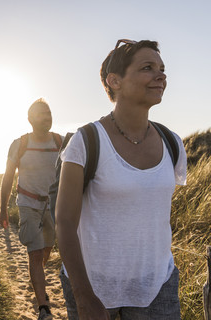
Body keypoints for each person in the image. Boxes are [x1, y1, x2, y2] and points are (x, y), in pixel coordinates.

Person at [55, 39, 187, 320]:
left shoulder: (172, 143)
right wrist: (84, 296)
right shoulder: (86, 141)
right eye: (147, 68)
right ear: (114, 81)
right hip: (94, 285)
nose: (160, 75)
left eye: (162, 68)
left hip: (157, 285)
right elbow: (65, 223)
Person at [0, 98, 63, 320]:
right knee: (34, 253)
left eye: (49, 113)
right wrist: (3, 209)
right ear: (30, 120)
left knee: (46, 250)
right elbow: (8, 177)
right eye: (42, 114)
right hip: (28, 204)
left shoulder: (60, 142)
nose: (47, 118)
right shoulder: (19, 144)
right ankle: (44, 307)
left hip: (52, 206)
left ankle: (36, 277)